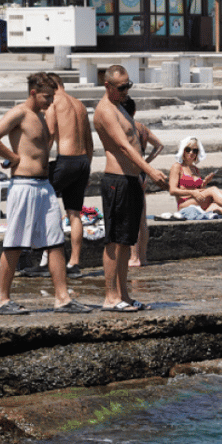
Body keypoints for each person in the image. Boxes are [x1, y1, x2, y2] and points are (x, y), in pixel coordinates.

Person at [0, 72, 90, 315]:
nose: (50, 101)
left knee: (55, 242)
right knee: (14, 243)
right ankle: (2, 299)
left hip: (44, 187)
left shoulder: (42, 117)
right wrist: (12, 158)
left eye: (52, 96)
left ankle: (62, 298)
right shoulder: (19, 113)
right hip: (24, 186)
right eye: (46, 96)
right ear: (33, 92)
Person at [93, 65, 169, 312]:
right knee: (114, 241)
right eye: (121, 87)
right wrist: (150, 170)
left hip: (131, 180)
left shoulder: (120, 109)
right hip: (117, 180)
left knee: (127, 241)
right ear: (108, 86)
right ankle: (110, 297)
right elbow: (124, 147)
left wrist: (142, 174)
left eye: (129, 86)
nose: (126, 91)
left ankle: (124, 295)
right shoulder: (105, 111)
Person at [47, 72, 95, 278]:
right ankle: (74, 262)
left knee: (44, 204)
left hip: (65, 160)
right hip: (83, 161)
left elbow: (49, 136)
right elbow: (89, 142)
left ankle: (46, 259)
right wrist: (87, 169)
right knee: (74, 213)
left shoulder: (54, 103)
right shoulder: (80, 105)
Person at [118, 95, 169, 269]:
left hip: (131, 173)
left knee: (132, 218)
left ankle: (133, 257)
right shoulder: (142, 128)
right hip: (142, 173)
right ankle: (143, 257)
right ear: (134, 111)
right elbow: (159, 146)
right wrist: (146, 162)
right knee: (142, 220)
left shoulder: (127, 128)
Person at [168, 137, 222, 217]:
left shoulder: (195, 169)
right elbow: (172, 190)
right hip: (185, 203)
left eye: (194, 150)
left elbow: (198, 190)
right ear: (183, 151)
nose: (191, 153)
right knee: (213, 189)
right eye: (188, 149)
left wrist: (204, 183)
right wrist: (192, 193)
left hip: (199, 202)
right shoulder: (177, 167)